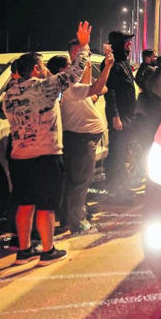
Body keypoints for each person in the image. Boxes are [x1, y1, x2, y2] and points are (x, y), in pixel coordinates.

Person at [4, 21, 92, 266]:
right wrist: (84, 46)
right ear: (34, 69)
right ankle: (47, 250)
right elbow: (74, 74)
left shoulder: (9, 94)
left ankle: (23, 250)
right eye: (42, 66)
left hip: (19, 157)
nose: (45, 70)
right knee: (46, 205)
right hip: (45, 156)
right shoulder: (45, 88)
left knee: (24, 203)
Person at [47, 42, 114, 234]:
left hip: (79, 137)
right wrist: (107, 67)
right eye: (70, 62)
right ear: (62, 70)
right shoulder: (68, 87)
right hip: (80, 139)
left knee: (74, 181)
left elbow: (94, 89)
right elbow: (96, 88)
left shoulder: (68, 86)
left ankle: (70, 218)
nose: (73, 66)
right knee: (80, 182)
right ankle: (77, 223)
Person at [104, 30, 138, 202]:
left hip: (128, 115)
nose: (130, 45)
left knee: (123, 152)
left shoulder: (124, 62)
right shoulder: (112, 63)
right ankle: (117, 191)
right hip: (120, 117)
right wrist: (115, 116)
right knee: (117, 153)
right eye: (127, 42)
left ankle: (123, 187)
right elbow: (109, 92)